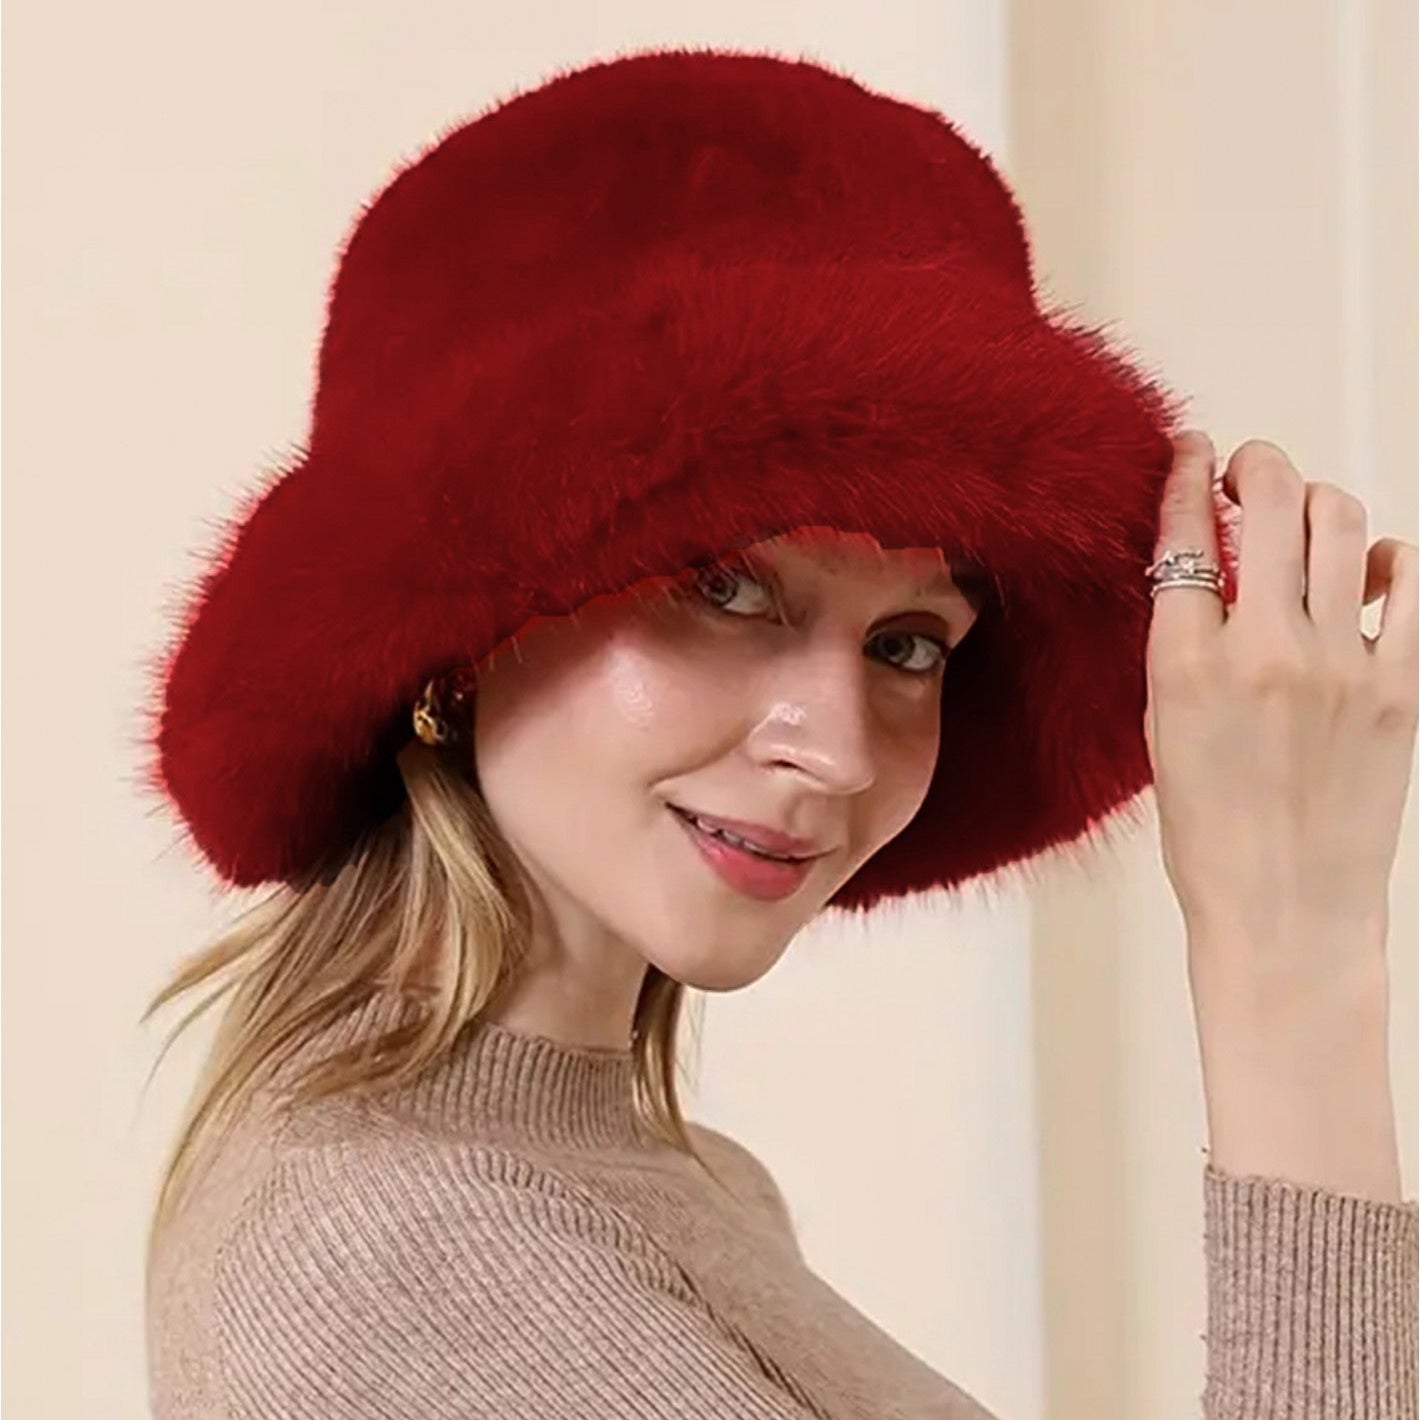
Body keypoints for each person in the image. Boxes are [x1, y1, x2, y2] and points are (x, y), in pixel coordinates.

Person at [137, 46, 1418, 1419]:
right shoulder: (404, 1251)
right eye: (725, 590)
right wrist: (1286, 949)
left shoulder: (668, 1189)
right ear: (458, 634)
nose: (842, 751)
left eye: (909, 645)